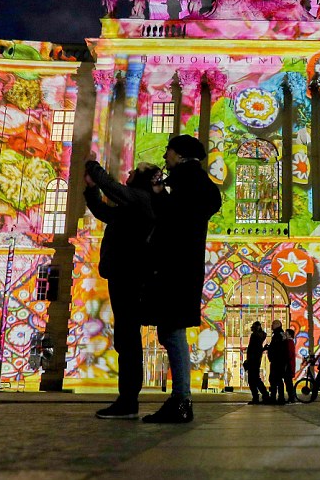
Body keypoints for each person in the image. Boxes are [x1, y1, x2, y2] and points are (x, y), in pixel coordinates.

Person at [141, 134, 222, 423]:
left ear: (179, 154)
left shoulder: (189, 182)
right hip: (180, 266)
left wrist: (160, 194)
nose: (165, 157)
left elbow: (174, 220)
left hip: (175, 268)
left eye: (168, 152)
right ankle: (180, 398)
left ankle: (181, 400)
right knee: (169, 330)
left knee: (172, 330)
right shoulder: (191, 182)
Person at [83, 160, 164, 420]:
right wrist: (91, 190)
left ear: (142, 179)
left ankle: (128, 401)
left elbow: (113, 189)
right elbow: (103, 212)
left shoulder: (140, 198)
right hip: (124, 275)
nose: (128, 173)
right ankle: (127, 399)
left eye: (134, 171)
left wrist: (93, 167)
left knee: (128, 340)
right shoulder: (133, 204)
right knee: (126, 340)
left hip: (130, 276)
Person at [244, 320, 268, 404]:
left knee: (252, 380)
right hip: (256, 359)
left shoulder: (254, 336)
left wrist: (248, 360)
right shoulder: (261, 336)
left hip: (253, 360)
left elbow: (252, 349)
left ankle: (257, 396)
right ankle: (264, 395)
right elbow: (257, 349)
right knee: (256, 379)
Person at [265, 319, 287, 404]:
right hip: (278, 361)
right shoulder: (280, 334)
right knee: (277, 379)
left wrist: (270, 349)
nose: (271, 326)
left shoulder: (278, 335)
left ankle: (275, 397)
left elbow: (277, 348)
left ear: (278, 325)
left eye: (273, 324)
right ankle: (279, 397)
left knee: (275, 379)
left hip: (277, 361)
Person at [283, 328, 298, 403]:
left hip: (288, 365)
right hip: (289, 365)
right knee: (288, 382)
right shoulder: (290, 342)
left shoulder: (289, 342)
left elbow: (288, 354)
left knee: (288, 382)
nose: (284, 334)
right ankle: (291, 397)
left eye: (286, 333)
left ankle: (291, 397)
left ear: (289, 335)